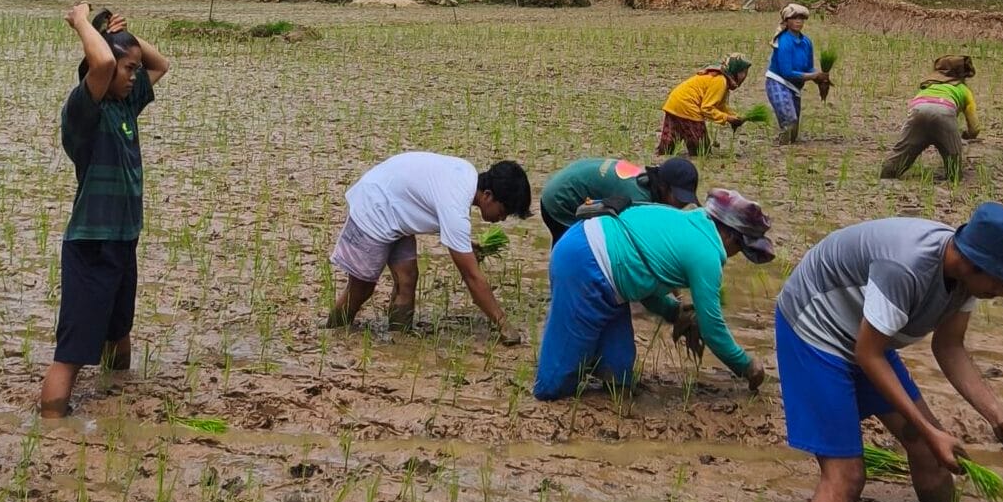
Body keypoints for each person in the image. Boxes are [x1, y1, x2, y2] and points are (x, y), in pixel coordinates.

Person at [774, 204, 1003, 502]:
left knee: (929, 452)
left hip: (865, 335)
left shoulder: (966, 280)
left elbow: (949, 347)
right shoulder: (907, 266)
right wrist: (930, 430)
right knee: (846, 474)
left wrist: (998, 416)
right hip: (816, 329)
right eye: (1002, 281)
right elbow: (869, 354)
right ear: (974, 262)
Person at [41, 3, 172, 418]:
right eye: (128, 69)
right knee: (73, 351)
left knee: (119, 330)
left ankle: (118, 400)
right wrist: (81, 22)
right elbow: (100, 62)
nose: (135, 76)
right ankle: (52, 426)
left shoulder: (124, 105)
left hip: (123, 238)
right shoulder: (84, 111)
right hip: (92, 244)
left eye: (135, 70)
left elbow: (161, 64)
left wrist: (122, 35)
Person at [534, 189, 774, 400]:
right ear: (730, 236)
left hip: (601, 266)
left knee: (618, 376)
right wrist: (746, 366)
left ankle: (594, 375)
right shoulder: (707, 254)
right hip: (585, 265)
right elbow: (713, 330)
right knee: (554, 385)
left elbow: (643, 283)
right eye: (739, 248)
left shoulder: (687, 222)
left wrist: (673, 311)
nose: (735, 255)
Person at [326, 151, 531, 343]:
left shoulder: (466, 175)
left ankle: (398, 339)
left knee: (407, 278)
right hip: (374, 205)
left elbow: (434, 204)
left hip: (395, 206)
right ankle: (332, 334)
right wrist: (502, 323)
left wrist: (465, 245)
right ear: (487, 195)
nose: (502, 218)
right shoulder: (456, 203)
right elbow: (472, 277)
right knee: (361, 288)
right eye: (503, 211)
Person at [537, 156, 698, 244]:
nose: (680, 207)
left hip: (566, 182)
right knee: (578, 250)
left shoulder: (647, 180)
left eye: (685, 202)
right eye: (679, 199)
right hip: (560, 199)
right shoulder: (639, 200)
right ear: (663, 187)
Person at [880, 55, 980, 181]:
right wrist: (969, 135)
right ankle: (952, 178)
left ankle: (887, 175)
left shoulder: (928, 86)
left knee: (901, 153)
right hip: (944, 113)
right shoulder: (964, 91)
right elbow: (975, 127)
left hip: (918, 111)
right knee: (954, 167)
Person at [656, 55, 752, 157]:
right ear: (735, 71)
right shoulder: (720, 81)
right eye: (743, 72)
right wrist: (727, 118)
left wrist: (733, 115)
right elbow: (707, 108)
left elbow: (719, 104)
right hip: (688, 106)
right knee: (701, 151)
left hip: (674, 103)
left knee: (666, 149)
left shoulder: (718, 78)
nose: (744, 76)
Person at [766, 4, 829, 146]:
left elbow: (808, 67)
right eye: (794, 18)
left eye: (801, 18)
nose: (798, 21)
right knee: (789, 119)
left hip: (794, 86)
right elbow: (787, 73)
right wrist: (813, 77)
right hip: (778, 82)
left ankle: (787, 145)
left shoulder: (806, 42)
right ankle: (781, 149)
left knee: (793, 134)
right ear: (787, 21)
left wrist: (820, 77)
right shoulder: (784, 41)